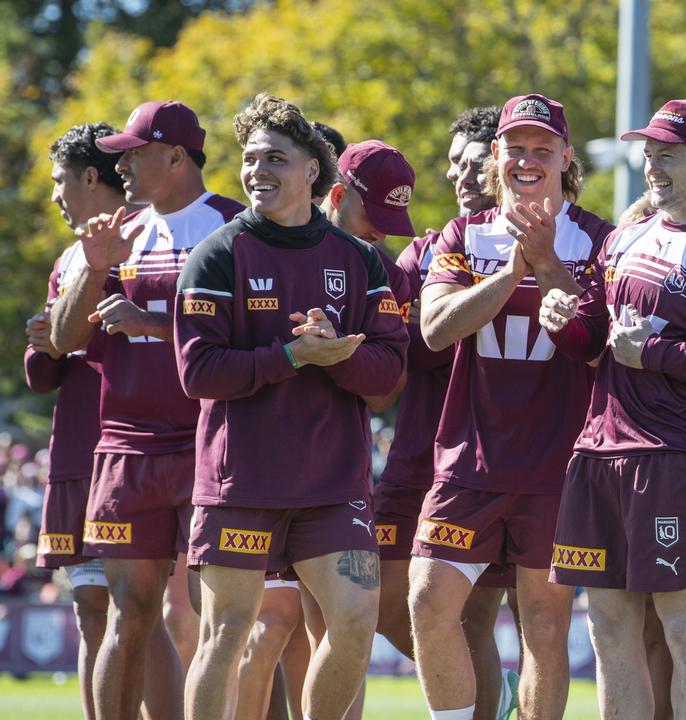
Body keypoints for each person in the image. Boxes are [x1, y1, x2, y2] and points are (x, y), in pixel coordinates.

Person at [540, 97, 686, 719]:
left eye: (667, 155)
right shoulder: (626, 236)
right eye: (649, 155)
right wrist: (564, 322)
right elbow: (597, 335)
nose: (653, 167)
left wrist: (662, 355)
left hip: (676, 459)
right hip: (598, 452)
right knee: (607, 634)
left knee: (683, 631)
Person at [175, 93, 408, 720]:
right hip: (241, 482)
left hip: (331, 485)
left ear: (315, 170)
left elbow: (387, 373)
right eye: (250, 159)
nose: (257, 172)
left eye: (275, 158)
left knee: (356, 623)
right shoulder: (218, 253)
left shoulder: (359, 260)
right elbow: (199, 373)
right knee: (227, 633)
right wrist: (294, 356)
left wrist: (338, 355)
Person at [411, 93, 612, 720]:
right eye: (516, 148)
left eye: (542, 150)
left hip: (559, 467)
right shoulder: (462, 234)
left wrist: (548, 262)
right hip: (470, 459)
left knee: (544, 626)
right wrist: (509, 273)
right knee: (427, 601)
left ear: (565, 158)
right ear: (495, 156)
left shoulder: (600, 238)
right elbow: (435, 329)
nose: (528, 161)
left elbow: (598, 345)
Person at [48, 100, 244, 720]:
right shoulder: (118, 232)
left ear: (177, 156)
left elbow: (250, 337)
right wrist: (94, 269)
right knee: (127, 616)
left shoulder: (235, 228)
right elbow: (61, 339)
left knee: (224, 622)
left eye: (134, 154)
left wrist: (152, 324)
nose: (122, 167)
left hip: (211, 445)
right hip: (125, 448)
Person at [383, 105, 522, 720]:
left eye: (479, 166)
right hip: (417, 455)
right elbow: (408, 345)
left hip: (492, 458)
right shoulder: (421, 255)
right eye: (458, 166)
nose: (468, 178)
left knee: (476, 619)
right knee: (384, 603)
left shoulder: (541, 250)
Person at [27, 122, 125, 720]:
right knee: (93, 614)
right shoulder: (68, 259)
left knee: (156, 613)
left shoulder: (153, 240)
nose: (56, 196)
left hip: (145, 452)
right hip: (77, 454)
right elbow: (42, 369)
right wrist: (51, 339)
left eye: (61, 181)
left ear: (91, 176)